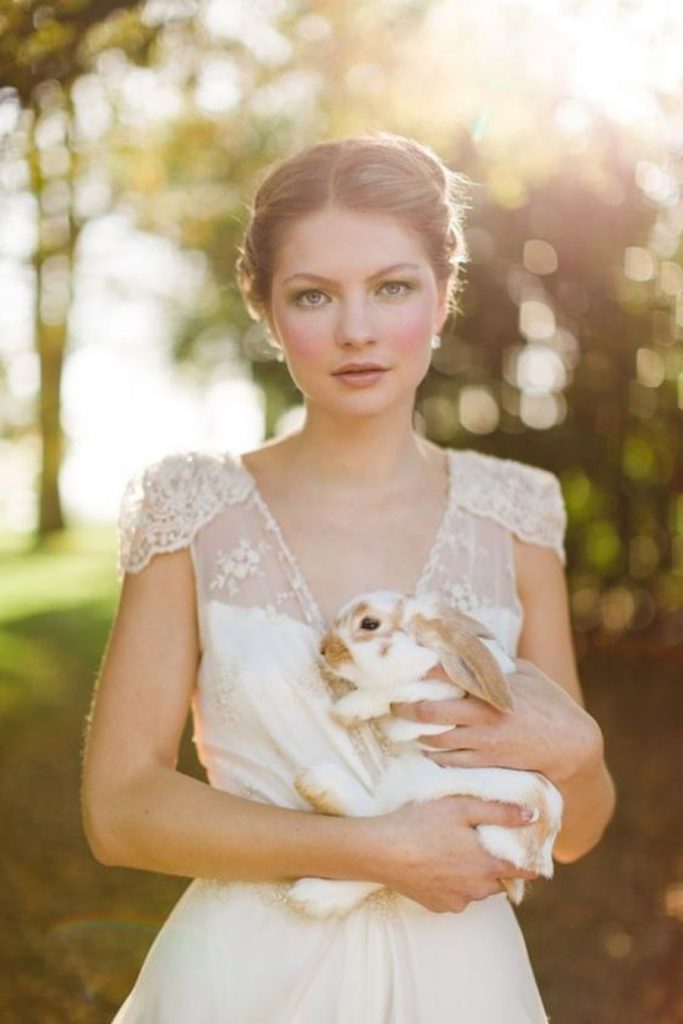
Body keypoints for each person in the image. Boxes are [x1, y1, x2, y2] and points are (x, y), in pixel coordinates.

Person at [81, 132, 615, 1023]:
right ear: (266, 310)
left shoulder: (517, 515)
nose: (357, 329)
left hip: (464, 986)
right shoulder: (191, 506)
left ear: (442, 298)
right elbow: (120, 810)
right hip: (241, 983)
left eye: (392, 286)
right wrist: (374, 850)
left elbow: (579, 828)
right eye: (314, 295)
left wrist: (582, 753)